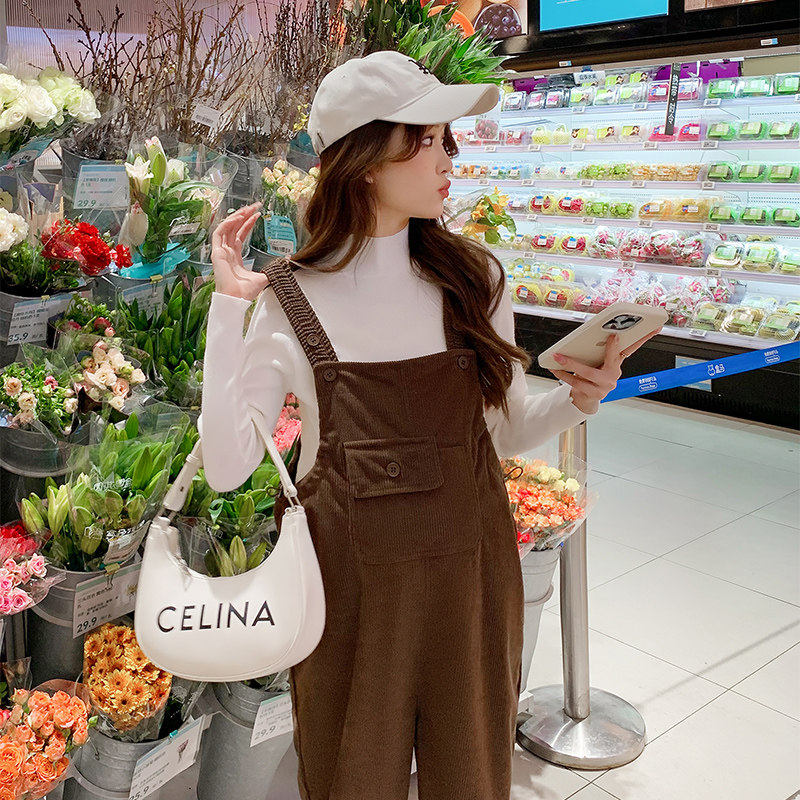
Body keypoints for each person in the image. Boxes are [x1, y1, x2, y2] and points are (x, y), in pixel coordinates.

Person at [201, 51, 656, 800]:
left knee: (472, 777)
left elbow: (501, 431)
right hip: (348, 605)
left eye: (448, 139)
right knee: (349, 779)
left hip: (469, 586)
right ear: (363, 159)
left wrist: (577, 399)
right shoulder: (288, 298)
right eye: (426, 139)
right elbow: (225, 468)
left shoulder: (475, 281)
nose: (449, 159)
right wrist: (227, 310)